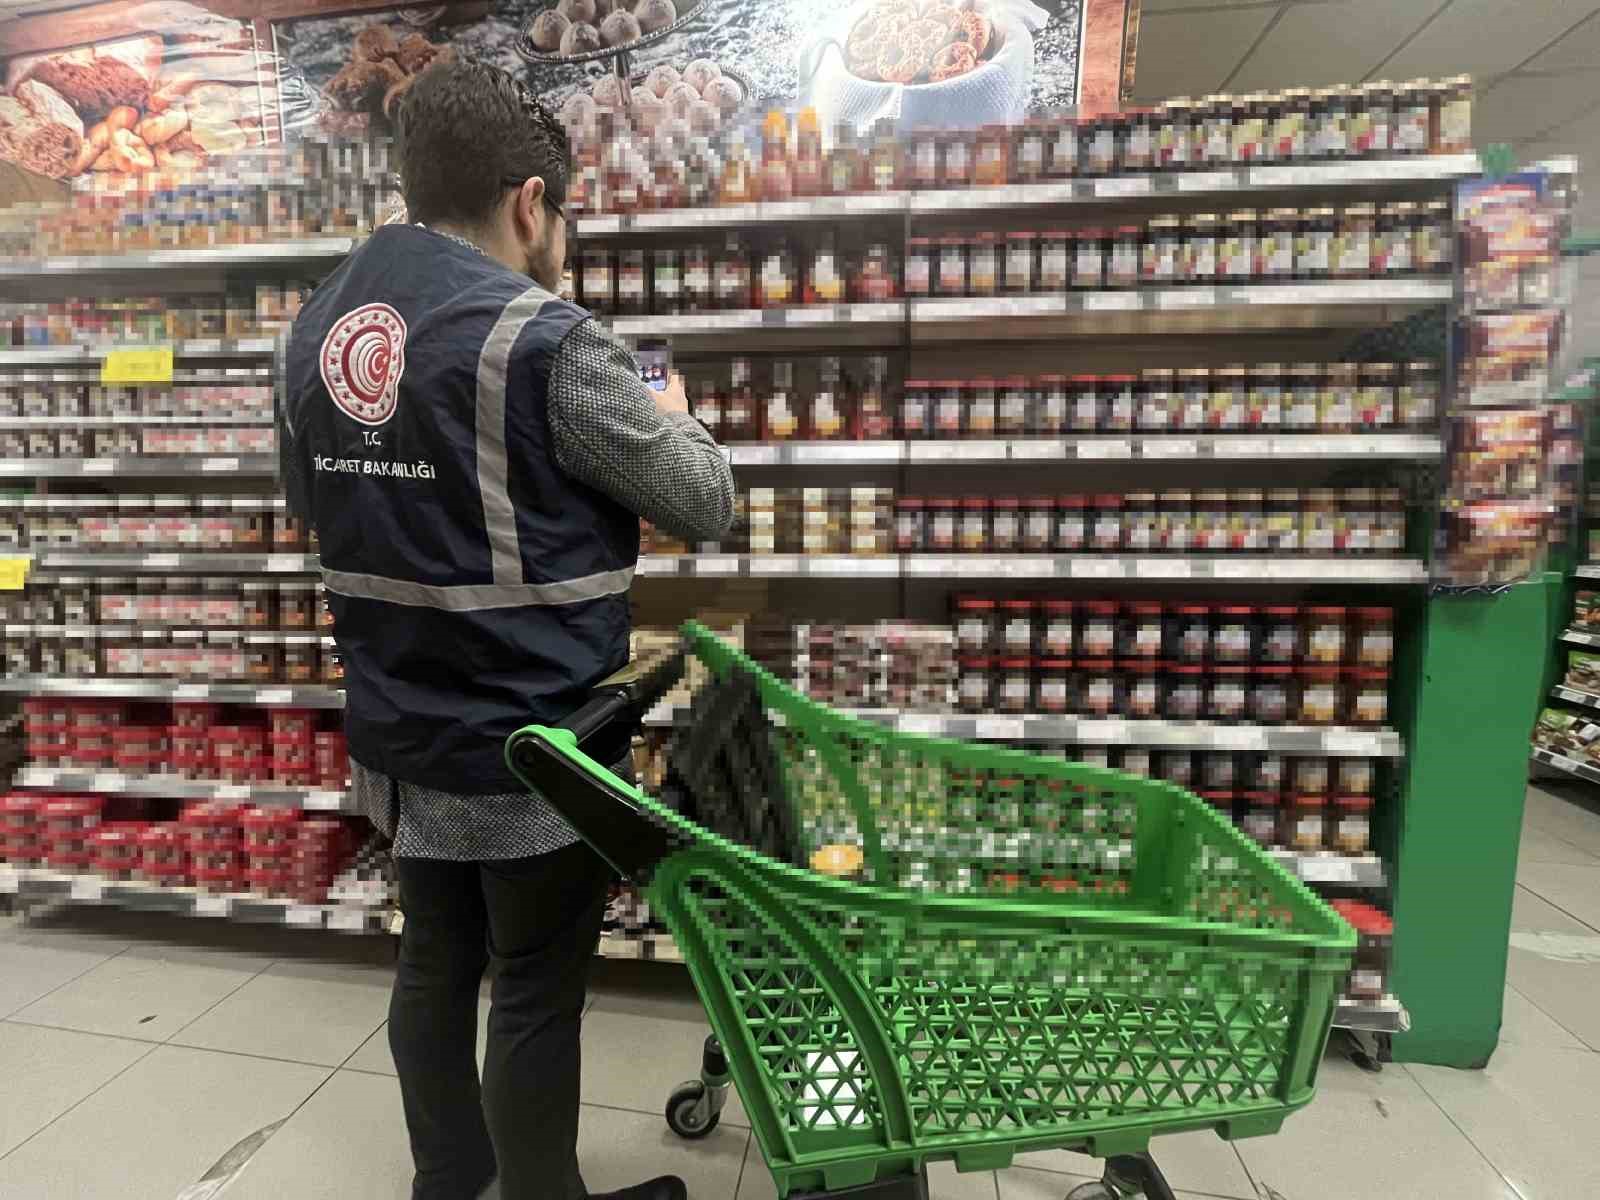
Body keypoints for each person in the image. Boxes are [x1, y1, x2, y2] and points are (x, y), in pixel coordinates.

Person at [278, 58, 733, 1200]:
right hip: (535, 742)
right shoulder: (543, 337)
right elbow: (704, 504)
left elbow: (318, 508)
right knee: (533, 983)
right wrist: (671, 417)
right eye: (561, 213)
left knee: (434, 960)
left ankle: (452, 1181)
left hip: (398, 730)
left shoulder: (314, 327)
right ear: (530, 199)